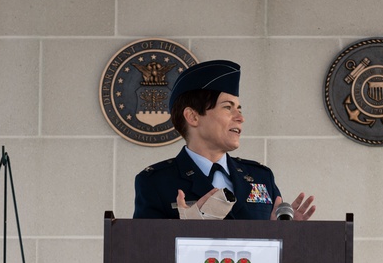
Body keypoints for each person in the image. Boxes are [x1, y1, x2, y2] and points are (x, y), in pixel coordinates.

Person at [133, 60, 315, 221]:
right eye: (228, 107)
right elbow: (144, 252)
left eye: (240, 109)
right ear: (193, 117)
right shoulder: (156, 182)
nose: (240, 118)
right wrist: (186, 233)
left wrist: (288, 236)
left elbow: (273, 252)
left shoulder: (261, 177)